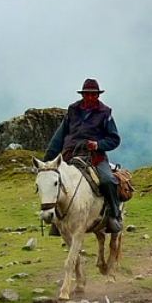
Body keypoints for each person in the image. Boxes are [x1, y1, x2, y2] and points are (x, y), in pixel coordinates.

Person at [43, 78, 123, 233]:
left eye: (93, 95)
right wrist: (47, 161)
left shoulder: (105, 113)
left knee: (107, 180)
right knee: (56, 182)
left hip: (94, 156)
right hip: (70, 155)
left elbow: (114, 139)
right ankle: (56, 222)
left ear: (98, 95)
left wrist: (98, 145)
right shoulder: (72, 111)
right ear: (83, 95)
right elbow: (59, 137)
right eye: (87, 94)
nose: (90, 97)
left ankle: (114, 216)